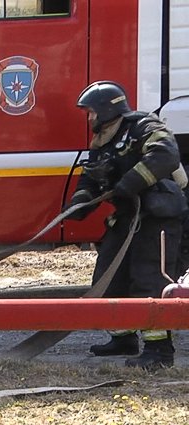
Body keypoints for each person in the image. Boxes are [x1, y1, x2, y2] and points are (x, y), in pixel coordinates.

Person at [65, 81, 187, 370]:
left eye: (91, 112)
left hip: (159, 216)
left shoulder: (143, 126)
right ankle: (123, 338)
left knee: (149, 281)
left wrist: (128, 184)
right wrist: (78, 205)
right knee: (108, 276)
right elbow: (91, 178)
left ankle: (159, 350)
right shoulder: (103, 138)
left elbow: (165, 155)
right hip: (128, 217)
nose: (89, 118)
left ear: (107, 109)